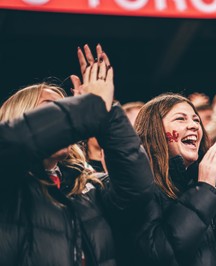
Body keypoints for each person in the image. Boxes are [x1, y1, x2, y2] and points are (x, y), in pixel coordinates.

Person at [0, 45, 154, 265]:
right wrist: (87, 108)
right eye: (55, 109)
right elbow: (15, 142)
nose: (68, 114)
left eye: (67, 107)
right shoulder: (8, 174)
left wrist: (106, 113)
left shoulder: (85, 185)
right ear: (20, 115)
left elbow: (137, 191)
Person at [133, 93, 216, 265]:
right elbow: (157, 256)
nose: (194, 126)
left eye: (196, 120)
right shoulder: (140, 187)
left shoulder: (214, 182)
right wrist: (203, 192)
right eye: (181, 119)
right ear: (154, 130)